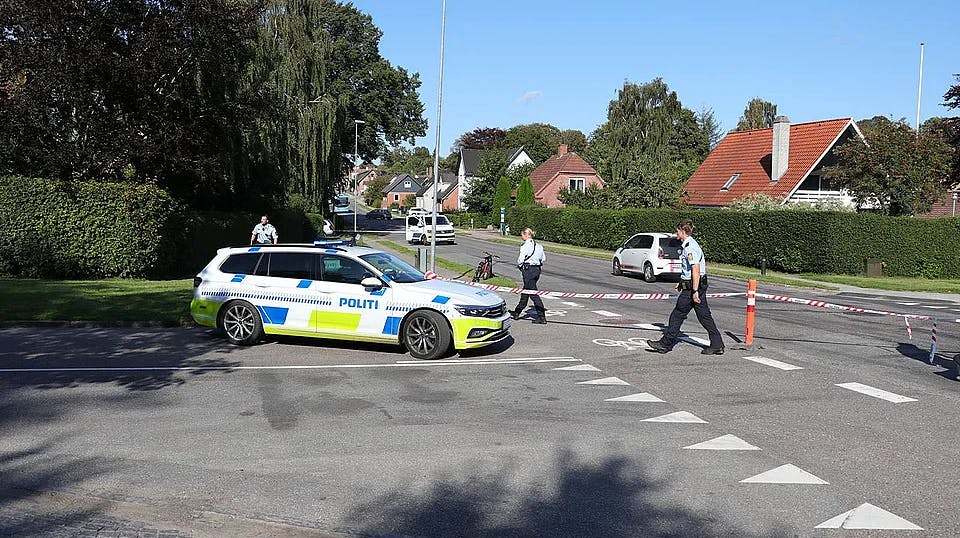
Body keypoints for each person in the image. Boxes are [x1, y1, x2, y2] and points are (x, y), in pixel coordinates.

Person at [647, 219, 724, 355]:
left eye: (677, 231)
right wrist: (681, 283)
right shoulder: (689, 244)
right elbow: (688, 271)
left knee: (677, 315)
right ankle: (717, 344)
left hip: (694, 288)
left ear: (683, 231)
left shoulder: (690, 247)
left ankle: (665, 344)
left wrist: (694, 291)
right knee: (704, 316)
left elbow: (695, 269)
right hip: (693, 285)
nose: (676, 233)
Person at [510, 227, 547, 325]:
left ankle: (541, 316)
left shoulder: (525, 246)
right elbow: (543, 259)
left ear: (526, 235)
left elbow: (520, 260)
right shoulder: (539, 246)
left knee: (533, 293)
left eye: (522, 235)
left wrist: (520, 266)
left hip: (528, 270)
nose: (521, 237)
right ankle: (517, 312)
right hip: (537, 270)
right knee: (525, 291)